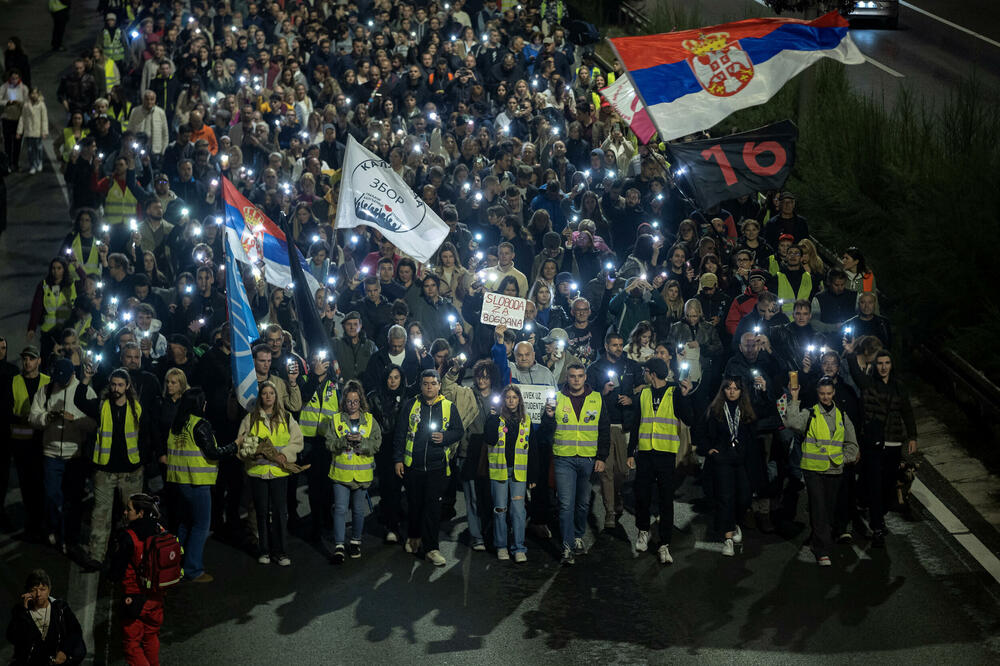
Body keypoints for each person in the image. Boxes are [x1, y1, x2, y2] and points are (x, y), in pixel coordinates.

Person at [76, 365, 150, 571]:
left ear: (127, 386)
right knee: (100, 514)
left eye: (120, 385)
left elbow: (146, 435)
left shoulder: (137, 408)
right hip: (105, 471)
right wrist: (86, 379)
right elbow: (79, 401)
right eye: (113, 384)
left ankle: (132, 556)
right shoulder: (102, 405)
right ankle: (96, 556)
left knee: (133, 516)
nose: (116, 388)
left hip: (131, 472)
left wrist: (142, 459)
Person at [783, 377, 860, 565]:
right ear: (818, 393)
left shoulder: (841, 415)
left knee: (828, 508)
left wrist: (843, 459)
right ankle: (821, 549)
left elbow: (852, 444)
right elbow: (791, 423)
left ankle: (819, 537)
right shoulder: (810, 413)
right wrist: (794, 397)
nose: (825, 397)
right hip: (813, 470)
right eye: (822, 394)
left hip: (834, 470)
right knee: (819, 507)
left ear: (834, 393)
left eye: (829, 393)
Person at [847, 347, 917, 547]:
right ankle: (877, 524)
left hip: (894, 442)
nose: (883, 367)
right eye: (880, 363)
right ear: (874, 366)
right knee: (876, 484)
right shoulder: (868, 383)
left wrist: (912, 436)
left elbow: (908, 412)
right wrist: (851, 354)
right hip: (874, 443)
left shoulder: (899, 387)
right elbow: (855, 371)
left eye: (887, 363)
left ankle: (875, 510)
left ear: (891, 365)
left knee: (888, 485)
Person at [393, 369, 464, 566]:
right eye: (425, 384)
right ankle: (414, 537)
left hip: (437, 468)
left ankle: (432, 548)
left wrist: (445, 438)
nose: (429, 387)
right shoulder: (411, 405)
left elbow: (459, 431)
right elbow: (400, 434)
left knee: (432, 508)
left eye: (433, 383)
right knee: (415, 505)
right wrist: (398, 460)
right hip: (413, 467)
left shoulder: (449, 407)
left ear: (439, 385)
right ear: (421, 385)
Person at [164, 389, 236, 582]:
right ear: (200, 404)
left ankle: (175, 563)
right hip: (197, 483)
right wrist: (235, 445)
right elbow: (212, 452)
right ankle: (193, 569)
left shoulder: (177, 423)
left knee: (185, 525)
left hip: (178, 481)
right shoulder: (200, 424)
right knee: (201, 526)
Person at [542, 363, 609, 565]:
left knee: (582, 504)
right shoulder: (556, 398)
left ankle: (578, 535)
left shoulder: (596, 398)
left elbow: (604, 429)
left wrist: (601, 457)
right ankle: (567, 546)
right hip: (564, 458)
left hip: (588, 459)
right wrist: (548, 417)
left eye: (580, 376)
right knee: (565, 504)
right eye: (572, 376)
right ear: (567, 378)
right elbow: (546, 431)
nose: (576, 380)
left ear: (585, 377)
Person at [627, 358, 693, 564]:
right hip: (645, 453)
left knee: (665, 499)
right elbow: (636, 423)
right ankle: (643, 530)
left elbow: (689, 418)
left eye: (646, 371)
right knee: (642, 494)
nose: (645, 375)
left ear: (652, 373)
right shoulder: (644, 393)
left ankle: (664, 543)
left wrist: (685, 396)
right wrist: (631, 452)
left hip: (665, 454)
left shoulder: (674, 393)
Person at [28, 358, 94, 554]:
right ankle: (54, 530)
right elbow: (33, 417)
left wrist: (74, 420)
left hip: (74, 455)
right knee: (51, 496)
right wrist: (47, 417)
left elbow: (94, 423)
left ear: (73, 374)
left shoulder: (84, 391)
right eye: (58, 378)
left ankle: (69, 537)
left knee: (73, 500)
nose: (61, 382)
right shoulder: (46, 390)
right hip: (51, 453)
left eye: (65, 378)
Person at [237, 381, 304, 566]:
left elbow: (297, 441)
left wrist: (285, 454)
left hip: (279, 472)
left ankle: (281, 551)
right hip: (258, 472)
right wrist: (251, 453)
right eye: (265, 393)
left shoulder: (287, 417)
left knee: (280, 512)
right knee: (261, 512)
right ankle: (264, 550)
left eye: (271, 393)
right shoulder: (250, 419)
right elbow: (241, 444)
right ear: (260, 397)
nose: (268, 396)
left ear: (276, 396)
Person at [484, 384, 547, 562]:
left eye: (514, 397)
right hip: (500, 472)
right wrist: (492, 417)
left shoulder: (525, 420)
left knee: (518, 511)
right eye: (508, 397)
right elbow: (489, 438)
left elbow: (533, 450)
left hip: (519, 473)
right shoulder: (496, 418)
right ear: (504, 400)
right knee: (500, 510)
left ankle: (519, 547)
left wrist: (533, 476)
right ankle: (501, 546)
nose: (511, 400)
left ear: (519, 400)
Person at [700, 376, 758, 557]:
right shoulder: (715, 410)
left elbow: (753, 435)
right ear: (723, 390)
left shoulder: (746, 411)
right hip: (722, 459)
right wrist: (710, 451)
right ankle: (727, 539)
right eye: (728, 388)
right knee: (725, 496)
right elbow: (703, 433)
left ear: (741, 391)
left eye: (736, 388)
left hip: (741, 459)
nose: (732, 391)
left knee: (744, 496)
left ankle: (733, 523)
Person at [326, 380, 382, 563]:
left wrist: (362, 443)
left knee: (358, 510)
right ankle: (339, 545)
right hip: (341, 474)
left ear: (361, 401)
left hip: (362, 474)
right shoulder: (335, 420)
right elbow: (329, 443)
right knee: (340, 509)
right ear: (344, 401)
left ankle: (356, 541)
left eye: (355, 401)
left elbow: (376, 443)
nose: (352, 405)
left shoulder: (370, 420)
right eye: (349, 401)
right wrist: (343, 442)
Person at [108, 493, 166, 665]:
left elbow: (117, 570)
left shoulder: (128, 536)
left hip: (134, 596)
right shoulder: (160, 530)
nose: (125, 512)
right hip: (156, 596)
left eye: (129, 509)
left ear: (140, 513)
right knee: (151, 636)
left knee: (132, 645)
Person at [5, 569, 86, 665]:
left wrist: (64, 651)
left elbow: (75, 631)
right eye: (34, 590)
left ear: (49, 590)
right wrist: (24, 612)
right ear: (27, 592)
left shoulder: (60, 607)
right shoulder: (20, 611)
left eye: (42, 589)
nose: (38, 594)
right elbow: (12, 637)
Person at [367, 365, 406, 542]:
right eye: (390, 377)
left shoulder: (406, 397)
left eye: (396, 377)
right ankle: (392, 525)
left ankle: (398, 520)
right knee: (388, 486)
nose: (393, 381)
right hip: (383, 448)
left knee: (401, 487)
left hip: (403, 447)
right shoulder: (374, 398)